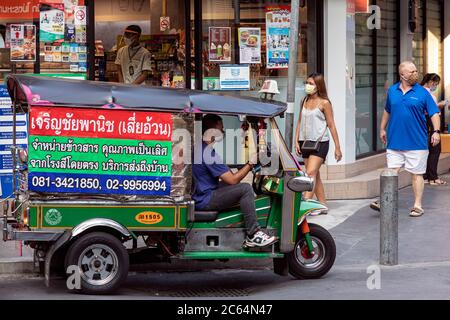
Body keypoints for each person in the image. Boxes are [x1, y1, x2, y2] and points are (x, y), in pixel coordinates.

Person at [192, 114, 278, 248]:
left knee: (238, 186)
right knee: (245, 189)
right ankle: (253, 233)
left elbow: (228, 175)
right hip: (205, 198)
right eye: (221, 127)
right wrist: (250, 164)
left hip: (204, 192)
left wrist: (245, 166)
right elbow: (232, 180)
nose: (223, 131)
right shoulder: (207, 153)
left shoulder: (203, 148)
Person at [370, 61, 441, 217]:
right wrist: (382, 128)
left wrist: (436, 131)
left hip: (417, 142)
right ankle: (385, 201)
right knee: (391, 173)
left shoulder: (422, 92)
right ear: (402, 75)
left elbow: (434, 113)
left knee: (416, 174)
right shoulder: (393, 91)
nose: (416, 73)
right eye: (412, 71)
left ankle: (417, 205)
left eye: (416, 70)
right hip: (395, 141)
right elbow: (387, 111)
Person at [295, 73, 342, 215]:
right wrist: (296, 140)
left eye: (311, 83)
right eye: (307, 83)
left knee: (310, 173)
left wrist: (337, 147)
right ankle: (322, 204)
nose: (308, 86)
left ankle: (306, 205)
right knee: (316, 174)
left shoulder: (325, 103)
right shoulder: (304, 100)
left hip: (320, 142)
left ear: (318, 86)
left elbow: (331, 125)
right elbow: (299, 121)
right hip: (305, 142)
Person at [421, 73, 448, 185]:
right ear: (430, 81)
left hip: (423, 124)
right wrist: (439, 105)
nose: (435, 86)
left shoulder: (417, 91)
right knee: (435, 150)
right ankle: (433, 177)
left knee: (428, 150)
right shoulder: (429, 95)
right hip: (430, 124)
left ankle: (427, 176)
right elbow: (430, 111)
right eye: (435, 83)